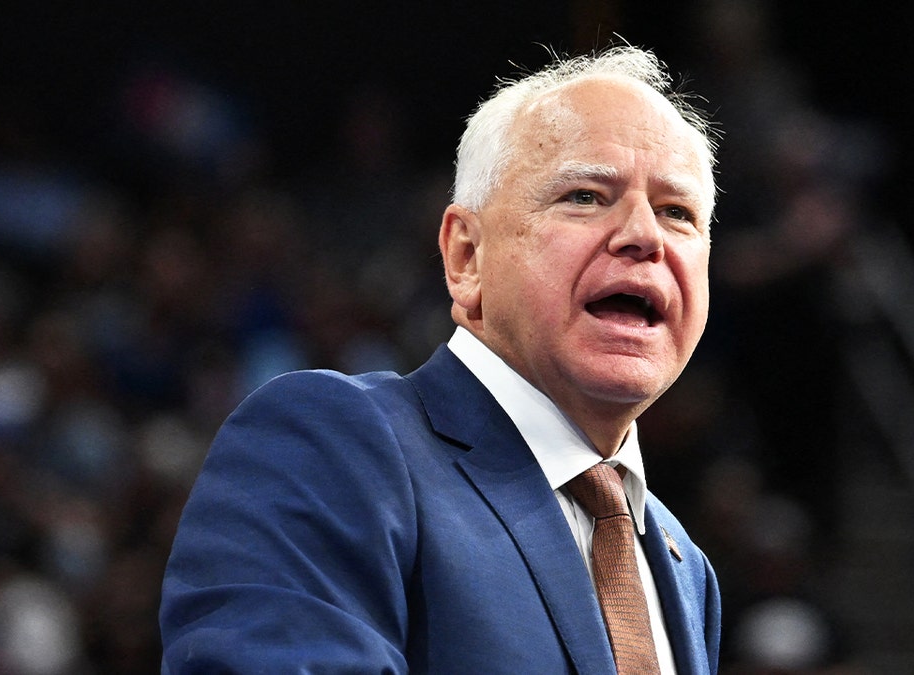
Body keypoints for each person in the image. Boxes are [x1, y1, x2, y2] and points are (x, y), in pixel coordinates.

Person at [159, 45, 722, 674]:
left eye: (678, 213)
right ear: (466, 257)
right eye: (587, 196)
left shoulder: (683, 565)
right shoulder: (336, 443)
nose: (644, 235)